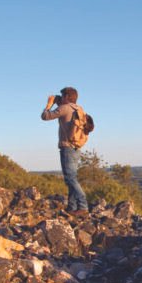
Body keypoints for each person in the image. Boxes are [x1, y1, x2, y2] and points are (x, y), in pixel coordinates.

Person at [41, 87, 89, 216]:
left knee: (70, 179)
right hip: (76, 147)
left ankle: (83, 206)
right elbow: (65, 111)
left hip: (67, 147)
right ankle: (72, 207)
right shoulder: (79, 109)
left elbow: (45, 116)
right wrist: (59, 102)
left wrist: (49, 104)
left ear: (67, 97)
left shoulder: (64, 108)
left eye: (62, 96)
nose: (60, 98)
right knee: (71, 178)